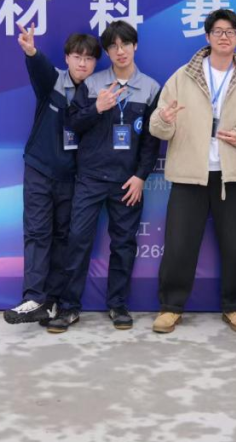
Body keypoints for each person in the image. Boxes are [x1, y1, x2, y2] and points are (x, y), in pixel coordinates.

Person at [149, 9, 236, 334]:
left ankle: (235, 306)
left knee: (235, 245)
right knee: (179, 244)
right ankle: (171, 307)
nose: (224, 36)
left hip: (233, 175)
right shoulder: (183, 76)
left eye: (230, 32)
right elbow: (157, 124)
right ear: (207, 36)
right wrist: (165, 120)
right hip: (190, 173)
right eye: (217, 31)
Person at [46, 20, 161, 334]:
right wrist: (96, 108)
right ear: (107, 52)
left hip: (127, 182)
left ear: (135, 46)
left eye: (125, 44)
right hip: (91, 178)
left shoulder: (151, 88)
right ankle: (69, 307)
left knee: (124, 245)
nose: (120, 51)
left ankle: (118, 305)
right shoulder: (93, 84)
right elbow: (72, 122)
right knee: (77, 241)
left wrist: (141, 176)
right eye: (113, 46)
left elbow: (151, 141)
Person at [3, 26, 100, 325]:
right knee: (37, 233)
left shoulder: (97, 92)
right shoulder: (54, 80)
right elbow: (39, 68)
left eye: (89, 58)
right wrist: (31, 51)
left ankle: (52, 301)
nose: (82, 63)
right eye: (77, 56)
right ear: (67, 58)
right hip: (40, 170)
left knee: (63, 238)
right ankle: (33, 297)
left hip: (72, 178)